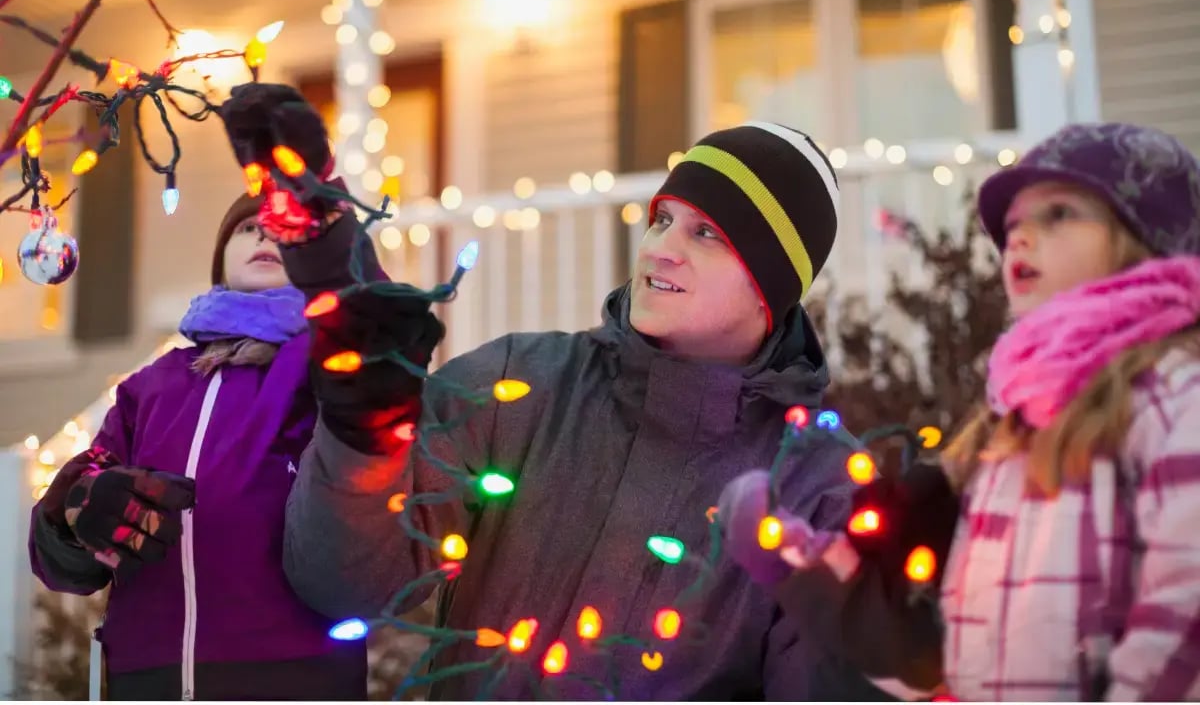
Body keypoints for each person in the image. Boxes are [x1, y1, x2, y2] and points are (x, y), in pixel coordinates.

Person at [260, 93, 884, 699]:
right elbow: (339, 584)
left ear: (771, 288)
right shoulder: (518, 383)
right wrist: (363, 431)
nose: (659, 249)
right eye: (663, 220)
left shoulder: (818, 491)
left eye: (707, 234)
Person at [720, 121, 1200, 701]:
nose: (1019, 238)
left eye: (1058, 215)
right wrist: (801, 563)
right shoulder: (1012, 426)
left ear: (1142, 239)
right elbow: (939, 650)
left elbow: (1183, 611)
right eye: (1014, 225)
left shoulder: (1174, 400)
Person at [28, 192, 367, 700]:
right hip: (147, 674)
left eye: (289, 230)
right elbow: (65, 551)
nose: (265, 234)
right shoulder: (152, 386)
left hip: (293, 672)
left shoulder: (332, 369)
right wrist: (79, 512)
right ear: (221, 260)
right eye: (247, 227)